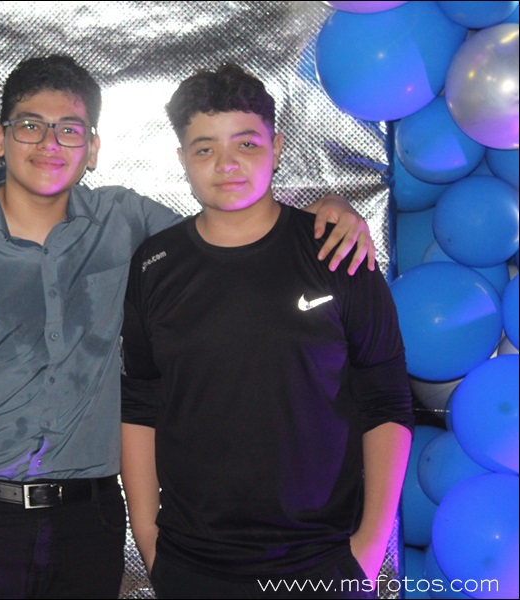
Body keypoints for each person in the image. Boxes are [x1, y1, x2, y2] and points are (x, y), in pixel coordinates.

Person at [0, 55, 376, 600]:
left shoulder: (128, 222)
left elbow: (232, 229)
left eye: (69, 130)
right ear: (0, 139)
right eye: (30, 125)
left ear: (92, 149)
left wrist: (326, 208)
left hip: (88, 524)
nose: (49, 144)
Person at [119, 63, 414, 599]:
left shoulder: (337, 252)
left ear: (276, 148)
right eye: (204, 148)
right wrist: (148, 538)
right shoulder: (154, 265)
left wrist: (369, 549)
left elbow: (387, 398)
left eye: (246, 143)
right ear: (182, 159)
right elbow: (140, 405)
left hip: (322, 560)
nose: (226, 164)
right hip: (191, 564)